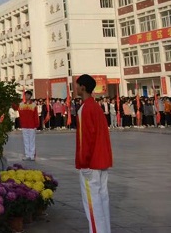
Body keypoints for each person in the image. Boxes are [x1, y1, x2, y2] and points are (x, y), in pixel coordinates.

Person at [75, 74, 113, 233]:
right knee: (102, 199)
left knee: (92, 203)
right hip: (102, 160)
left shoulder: (85, 108)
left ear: (83, 87)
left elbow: (85, 139)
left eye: (77, 85)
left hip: (91, 163)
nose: (76, 88)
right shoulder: (96, 107)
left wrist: (84, 163)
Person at [18, 91, 39, 161]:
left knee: (32, 141)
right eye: (26, 95)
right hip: (24, 125)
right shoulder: (21, 105)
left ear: (30, 96)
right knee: (26, 141)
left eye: (28, 95)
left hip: (32, 125)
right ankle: (27, 155)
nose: (27, 96)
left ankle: (32, 155)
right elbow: (18, 111)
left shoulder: (33, 105)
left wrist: (36, 124)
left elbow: (36, 115)